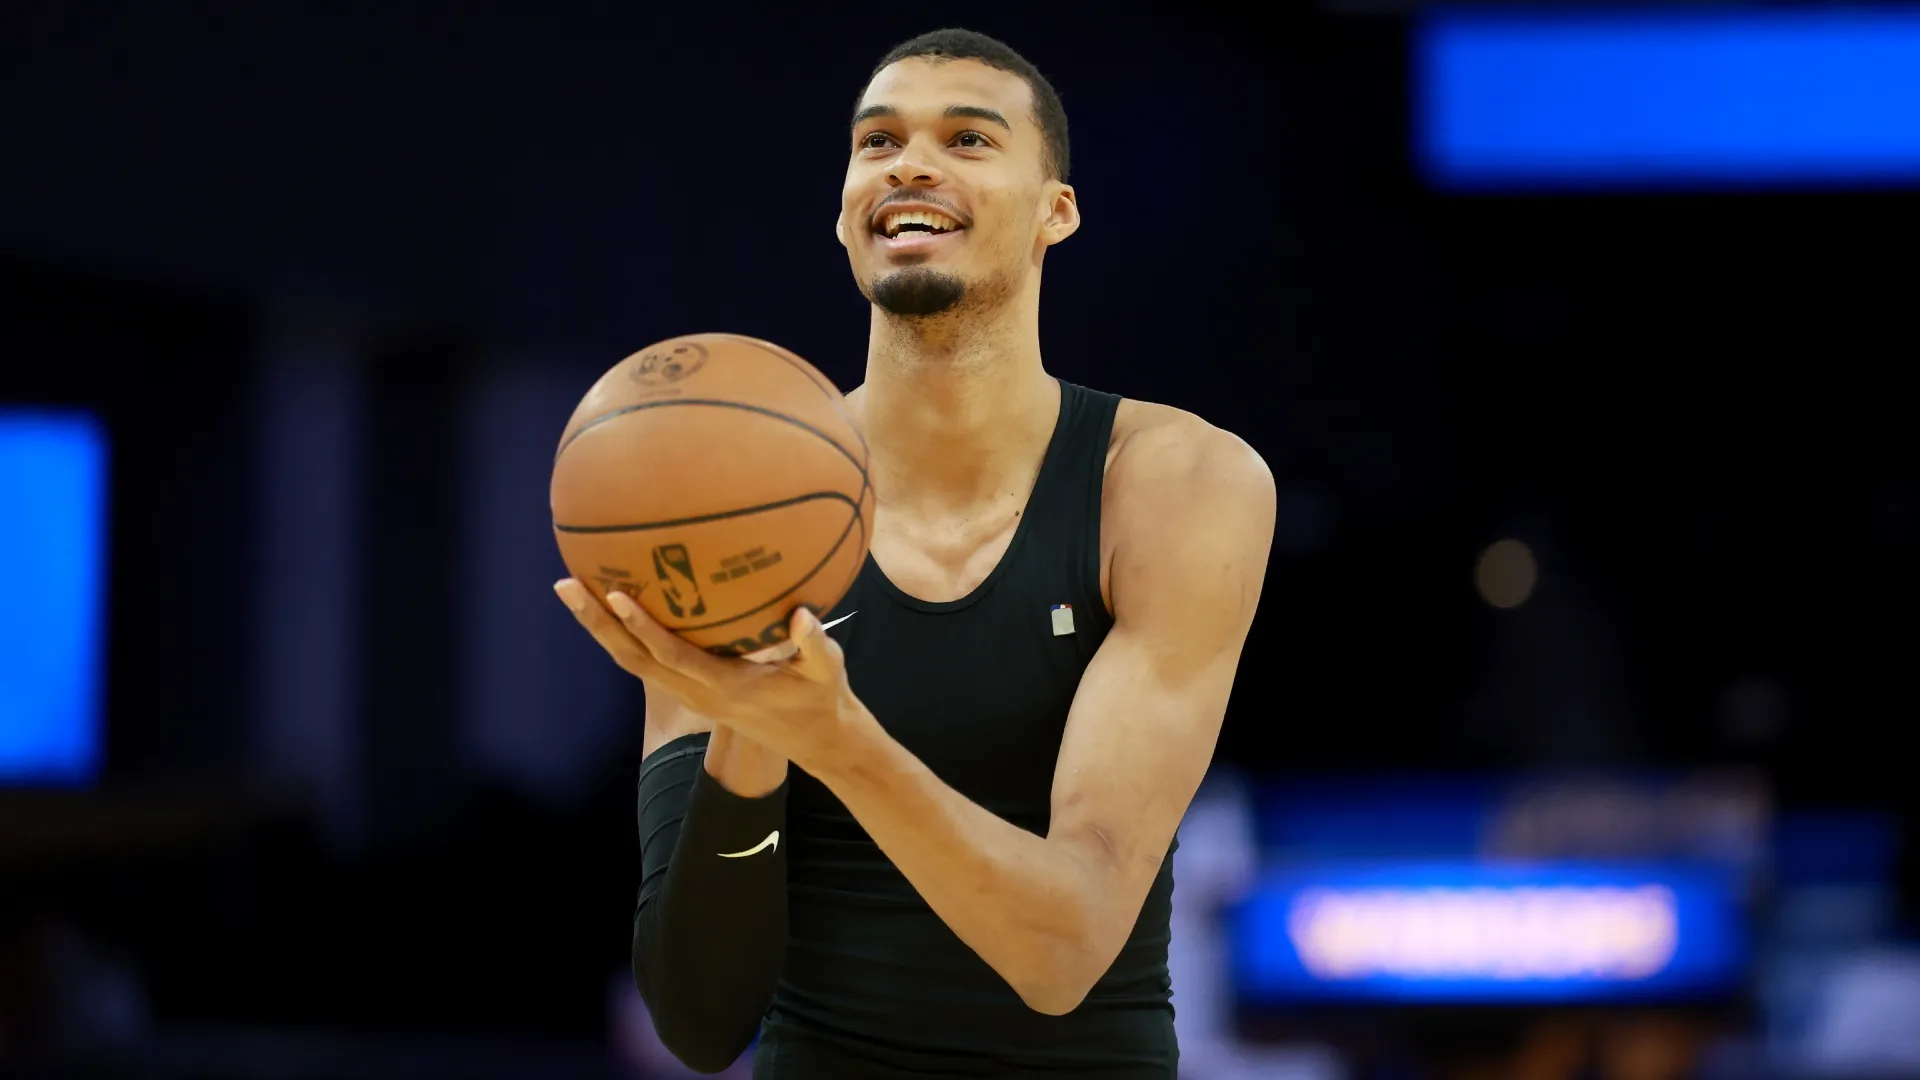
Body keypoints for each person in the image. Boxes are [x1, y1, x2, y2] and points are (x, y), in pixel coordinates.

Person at [553, 27, 1276, 1079]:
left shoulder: (1174, 484)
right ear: (848, 214)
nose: (909, 163)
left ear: (1054, 212)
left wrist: (837, 738)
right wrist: (750, 733)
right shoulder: (720, 511)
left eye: (969, 138)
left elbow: (1064, 951)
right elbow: (701, 1021)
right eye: (877, 140)